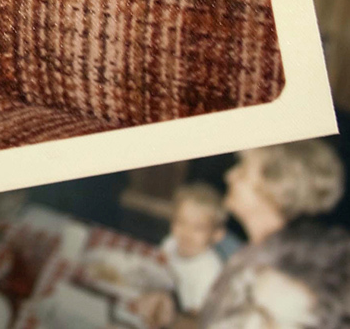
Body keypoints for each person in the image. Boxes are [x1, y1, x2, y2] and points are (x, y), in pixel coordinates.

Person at [133, 141, 349, 329]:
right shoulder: (250, 249)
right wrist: (173, 317)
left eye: (243, 171)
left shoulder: (280, 271)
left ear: (274, 190)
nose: (230, 176)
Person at [161, 183, 227, 315]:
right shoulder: (170, 243)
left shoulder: (210, 271)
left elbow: (197, 317)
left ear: (217, 234)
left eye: (198, 228)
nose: (186, 232)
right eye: (180, 222)